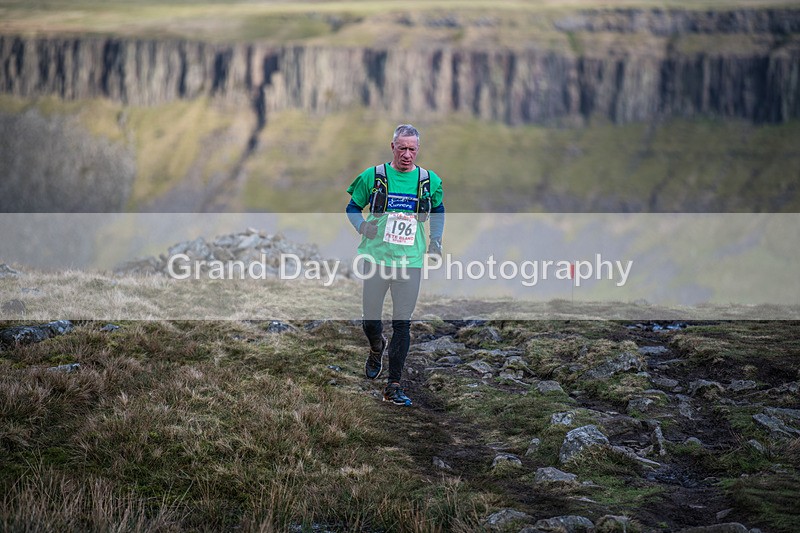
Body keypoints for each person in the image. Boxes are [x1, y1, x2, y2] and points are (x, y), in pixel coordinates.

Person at [345, 124, 445, 406]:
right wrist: (363, 226)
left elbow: (438, 209)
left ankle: (394, 386)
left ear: (417, 150)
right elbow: (352, 207)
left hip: (410, 262)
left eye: (412, 149)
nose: (407, 154)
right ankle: (376, 347)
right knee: (370, 320)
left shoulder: (428, 180)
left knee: (403, 323)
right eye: (402, 148)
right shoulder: (373, 176)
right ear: (393, 147)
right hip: (377, 259)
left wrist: (436, 240)